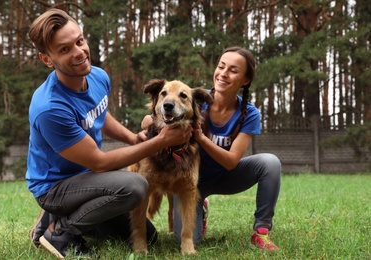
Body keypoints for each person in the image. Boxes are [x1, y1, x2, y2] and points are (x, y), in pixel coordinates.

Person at [26, 8, 192, 258]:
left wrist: (131, 137)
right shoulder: (49, 107)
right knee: (135, 185)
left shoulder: (97, 76)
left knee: (151, 237)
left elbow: (99, 114)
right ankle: (59, 230)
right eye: (64, 49)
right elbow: (100, 162)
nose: (80, 52)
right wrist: (159, 142)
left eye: (79, 41)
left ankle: (70, 218)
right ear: (47, 59)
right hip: (55, 187)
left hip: (87, 179)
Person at [151, 46, 281, 251]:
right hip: (189, 182)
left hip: (227, 176)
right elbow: (152, 118)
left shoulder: (250, 114)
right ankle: (200, 206)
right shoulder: (193, 99)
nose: (223, 74)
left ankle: (261, 232)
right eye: (221, 66)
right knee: (183, 240)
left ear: (245, 80)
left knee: (270, 163)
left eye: (233, 70)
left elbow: (231, 161)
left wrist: (201, 137)